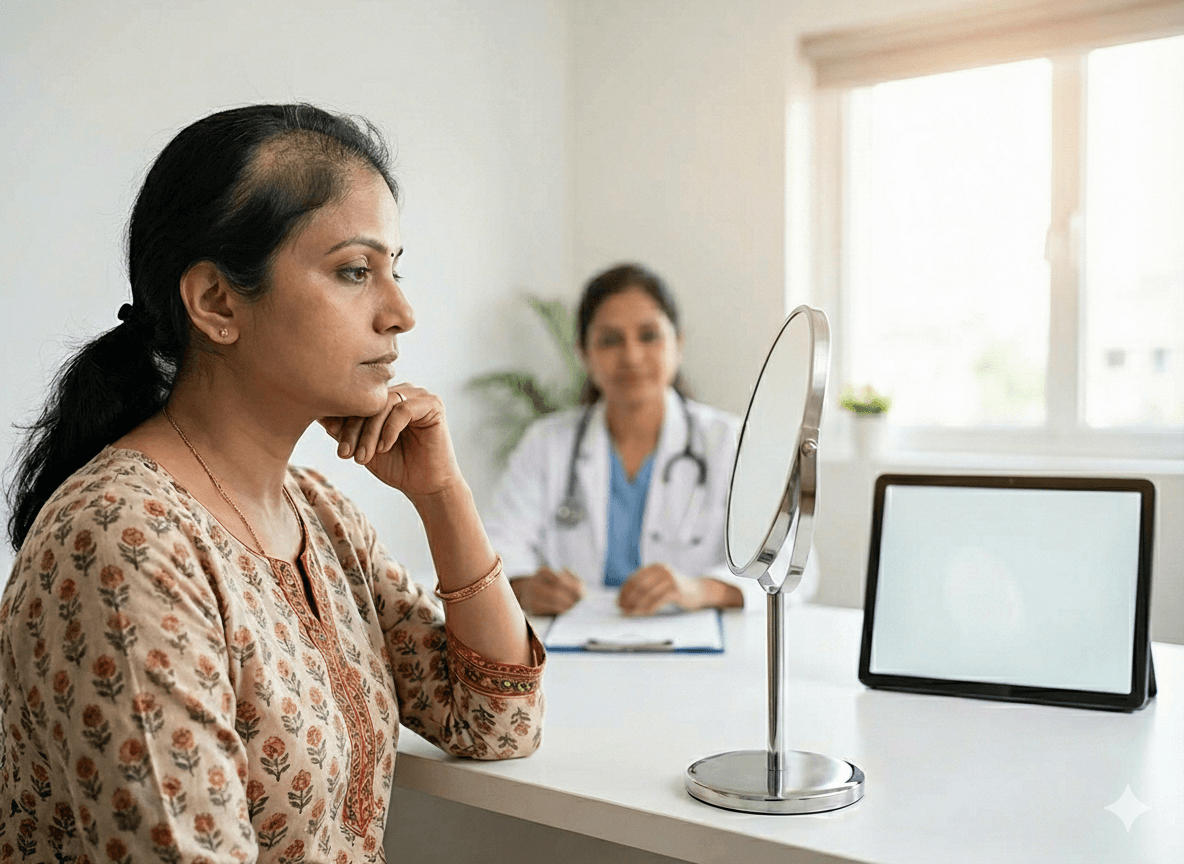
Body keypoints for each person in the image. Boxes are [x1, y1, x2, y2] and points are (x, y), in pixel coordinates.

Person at [0, 104, 544, 861]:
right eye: (355, 271)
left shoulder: (317, 514)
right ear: (217, 302)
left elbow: (497, 722)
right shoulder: (125, 542)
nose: (401, 313)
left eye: (395, 270)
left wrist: (442, 494)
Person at [485, 264, 818, 617]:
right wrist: (524, 587)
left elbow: (794, 565)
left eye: (649, 335)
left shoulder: (730, 441)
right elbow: (496, 549)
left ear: (679, 343)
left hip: (695, 638)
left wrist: (701, 589)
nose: (631, 356)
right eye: (610, 340)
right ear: (584, 353)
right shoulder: (546, 444)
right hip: (575, 636)